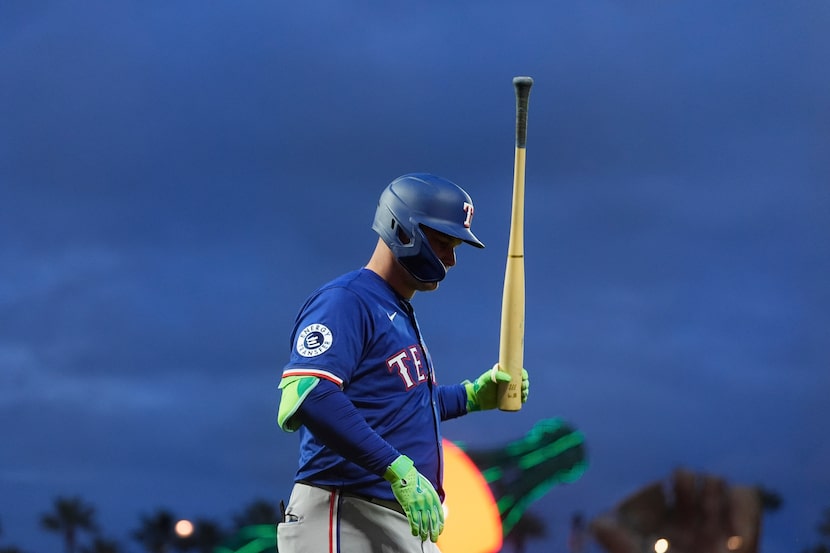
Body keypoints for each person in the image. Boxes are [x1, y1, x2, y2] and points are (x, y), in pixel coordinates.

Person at [276, 173, 529, 553]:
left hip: (396, 517)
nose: (451, 260)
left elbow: (398, 407)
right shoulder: (347, 300)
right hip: (345, 510)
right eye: (444, 243)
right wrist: (398, 468)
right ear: (403, 229)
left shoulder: (396, 310)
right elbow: (310, 393)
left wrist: (472, 396)